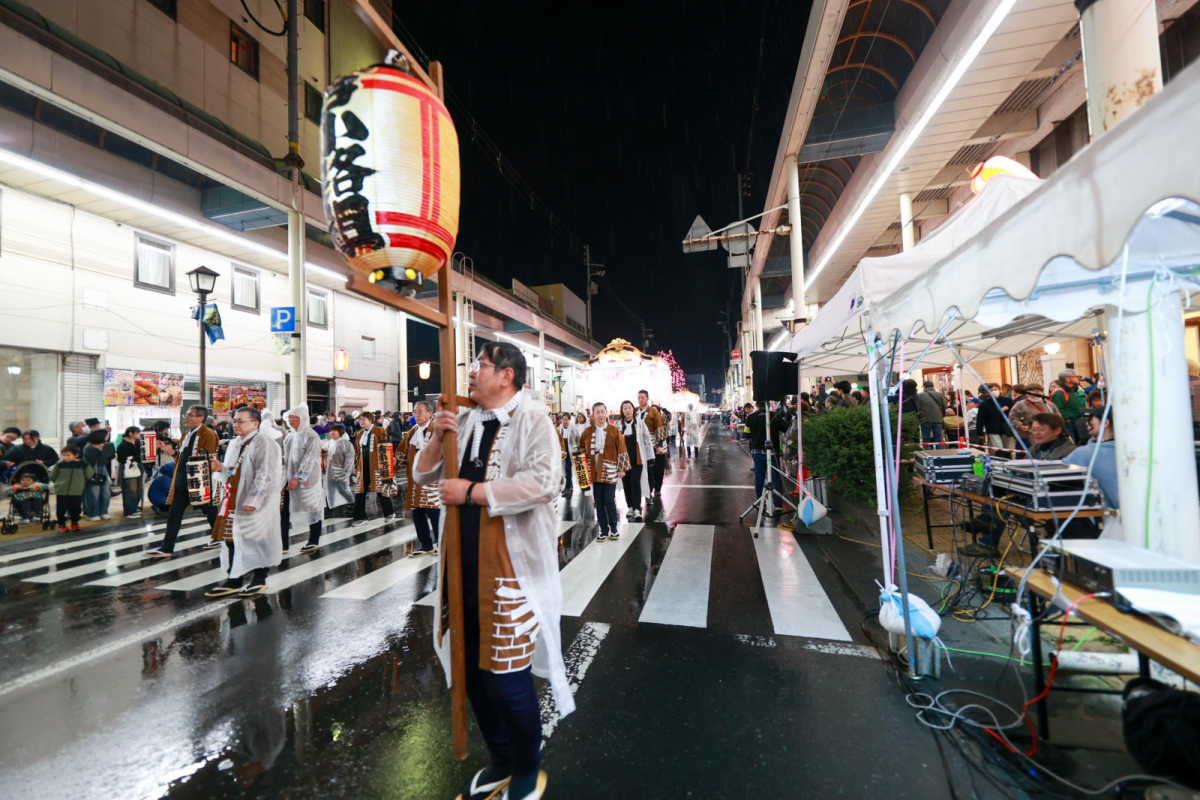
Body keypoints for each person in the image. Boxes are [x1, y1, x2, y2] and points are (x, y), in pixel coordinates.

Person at [413, 341, 568, 800]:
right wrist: (440, 435)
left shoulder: (533, 418)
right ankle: (500, 757)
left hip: (508, 564)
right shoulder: (461, 419)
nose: (471, 372)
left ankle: (526, 766)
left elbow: (544, 482)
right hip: (460, 563)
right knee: (470, 670)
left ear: (507, 376)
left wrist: (473, 492)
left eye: (480, 365)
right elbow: (423, 476)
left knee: (505, 675)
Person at [204, 406, 284, 597]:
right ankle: (235, 578)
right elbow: (233, 470)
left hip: (257, 501)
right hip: (233, 498)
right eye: (235, 420)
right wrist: (221, 467)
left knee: (257, 538)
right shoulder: (235, 443)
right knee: (231, 538)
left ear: (255, 423)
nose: (236, 424)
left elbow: (266, 473)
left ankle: (260, 577)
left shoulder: (265, 442)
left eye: (241, 421)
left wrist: (254, 500)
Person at [143, 406, 219, 559]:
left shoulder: (208, 433)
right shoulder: (186, 434)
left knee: (209, 510)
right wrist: (169, 450)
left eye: (190, 415)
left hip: (199, 481)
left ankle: (220, 537)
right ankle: (167, 547)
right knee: (174, 513)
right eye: (187, 415)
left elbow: (209, 457)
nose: (187, 418)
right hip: (183, 480)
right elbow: (181, 456)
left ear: (201, 418)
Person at [580, 402, 629, 542]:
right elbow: (581, 450)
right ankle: (603, 530)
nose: (600, 415)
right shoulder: (587, 432)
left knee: (609, 499)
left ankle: (613, 528)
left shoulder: (614, 431)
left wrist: (622, 468)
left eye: (602, 412)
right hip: (594, 472)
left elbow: (621, 449)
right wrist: (582, 468)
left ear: (606, 413)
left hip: (610, 470)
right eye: (597, 412)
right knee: (599, 502)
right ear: (593, 415)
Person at [398, 401, 442, 556]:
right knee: (417, 511)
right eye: (415, 412)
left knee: (434, 510)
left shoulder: (437, 429)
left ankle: (441, 543)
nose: (416, 415)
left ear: (430, 413)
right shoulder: (412, 432)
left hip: (432, 477)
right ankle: (425, 544)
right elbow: (401, 452)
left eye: (420, 411)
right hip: (415, 478)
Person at [282, 404, 325, 554]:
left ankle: (313, 540)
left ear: (303, 419)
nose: (290, 419)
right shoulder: (290, 435)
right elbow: (285, 457)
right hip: (288, 477)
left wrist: (298, 477)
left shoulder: (311, 435)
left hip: (308, 479)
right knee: (284, 508)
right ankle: (283, 544)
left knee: (312, 508)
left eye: (294, 417)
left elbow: (309, 458)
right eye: (289, 417)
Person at [1063, 406, 1119, 509]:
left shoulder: (1084, 453)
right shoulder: (1131, 450)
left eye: (1091, 419)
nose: (1086, 423)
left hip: (1104, 519)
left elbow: (1059, 470)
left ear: (1105, 423)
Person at [352, 411, 398, 525]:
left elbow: (387, 446)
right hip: (363, 466)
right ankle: (360, 517)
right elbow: (357, 452)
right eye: (360, 420)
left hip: (378, 466)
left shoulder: (379, 431)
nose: (361, 421)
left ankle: (389, 513)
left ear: (371, 420)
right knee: (360, 491)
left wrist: (389, 462)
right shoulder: (359, 434)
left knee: (380, 490)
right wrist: (356, 465)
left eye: (363, 419)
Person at [618, 400, 653, 522]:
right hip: (623, 461)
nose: (627, 410)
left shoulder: (640, 423)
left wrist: (650, 457)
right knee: (626, 483)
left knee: (635, 482)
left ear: (633, 409)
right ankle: (631, 507)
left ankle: (638, 508)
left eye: (629, 408)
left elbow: (647, 439)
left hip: (637, 459)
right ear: (622, 411)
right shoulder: (619, 424)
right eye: (625, 408)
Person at [746, 401, 786, 506]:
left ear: (757, 405)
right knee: (775, 476)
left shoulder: (750, 417)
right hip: (773, 452)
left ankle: (760, 501)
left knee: (759, 477)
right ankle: (778, 503)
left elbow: (746, 434)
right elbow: (785, 428)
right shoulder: (775, 416)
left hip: (757, 452)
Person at [635, 390, 667, 498]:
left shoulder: (653, 411)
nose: (640, 400)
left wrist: (660, 444)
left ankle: (657, 488)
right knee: (647, 469)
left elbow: (660, 426)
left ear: (647, 398)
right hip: (641, 444)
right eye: (639, 397)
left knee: (658, 467)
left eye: (642, 397)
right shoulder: (635, 411)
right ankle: (648, 489)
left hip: (655, 441)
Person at [49, 446, 88, 532]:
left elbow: (89, 474)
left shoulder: (83, 464)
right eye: (63, 455)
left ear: (76, 455)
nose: (65, 457)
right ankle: (62, 524)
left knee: (76, 508)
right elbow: (52, 476)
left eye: (68, 455)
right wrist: (59, 483)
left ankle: (75, 523)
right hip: (62, 491)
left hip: (76, 491)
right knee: (61, 508)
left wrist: (80, 482)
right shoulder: (59, 465)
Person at [82, 429, 115, 521]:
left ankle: (103, 512)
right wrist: (106, 449)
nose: (108, 437)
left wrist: (107, 449)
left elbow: (110, 457)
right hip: (92, 472)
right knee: (93, 493)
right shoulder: (89, 448)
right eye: (107, 435)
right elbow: (98, 460)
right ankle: (92, 514)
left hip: (103, 470)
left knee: (105, 493)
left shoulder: (105, 446)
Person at [324, 423, 355, 515]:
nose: (332, 433)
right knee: (328, 490)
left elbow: (349, 458)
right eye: (331, 431)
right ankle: (329, 509)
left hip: (340, 471)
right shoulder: (328, 443)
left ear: (340, 432)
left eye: (335, 431)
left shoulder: (346, 444)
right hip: (328, 471)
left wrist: (346, 471)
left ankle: (351, 504)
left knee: (343, 489)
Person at [1052, 369, 1088, 444]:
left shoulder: (1072, 390)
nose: (1078, 378)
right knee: (1071, 443)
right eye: (1075, 376)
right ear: (1067, 379)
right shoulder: (1059, 393)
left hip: (1077, 421)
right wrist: (1067, 419)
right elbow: (1058, 408)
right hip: (1069, 424)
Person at [115, 427, 145, 519]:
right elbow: (121, 459)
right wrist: (133, 458)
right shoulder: (123, 445)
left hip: (138, 466)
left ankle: (134, 508)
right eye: (138, 433)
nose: (140, 434)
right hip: (129, 467)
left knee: (138, 489)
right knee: (130, 490)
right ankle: (128, 511)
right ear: (131, 434)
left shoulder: (138, 443)